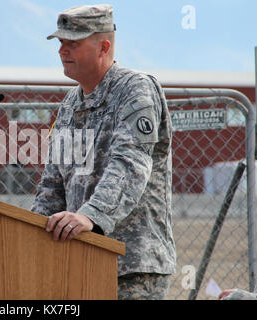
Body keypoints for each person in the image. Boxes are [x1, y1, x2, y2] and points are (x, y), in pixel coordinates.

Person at [30, 4, 176, 300]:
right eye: (61, 43)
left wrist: (91, 216)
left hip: (132, 267)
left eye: (73, 43)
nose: (62, 51)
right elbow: (53, 183)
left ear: (103, 47)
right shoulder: (70, 104)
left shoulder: (135, 90)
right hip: (80, 261)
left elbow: (130, 162)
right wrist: (29, 236)